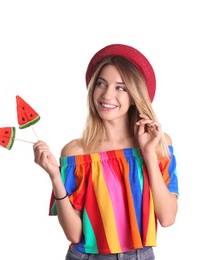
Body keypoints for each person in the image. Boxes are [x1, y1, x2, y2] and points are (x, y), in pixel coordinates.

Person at [33, 43, 179, 260]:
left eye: (120, 87)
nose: (107, 94)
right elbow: (74, 233)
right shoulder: (76, 152)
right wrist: (55, 177)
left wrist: (148, 154)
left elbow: (167, 218)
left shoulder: (158, 144)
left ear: (134, 96)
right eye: (101, 84)